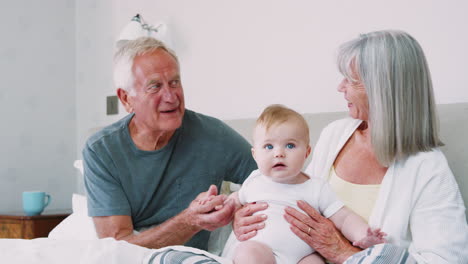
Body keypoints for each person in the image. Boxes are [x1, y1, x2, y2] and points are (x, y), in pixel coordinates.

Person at [228, 30, 468, 263]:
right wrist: (243, 219)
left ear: (383, 89)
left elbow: (448, 260)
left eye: (351, 80)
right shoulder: (336, 134)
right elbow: (293, 196)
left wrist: (344, 253)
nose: (340, 87)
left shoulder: (427, 168)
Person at [82, 36, 257, 251]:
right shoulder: (102, 151)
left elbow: (273, 180)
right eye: (155, 86)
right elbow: (117, 248)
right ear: (126, 99)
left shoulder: (214, 136)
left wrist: (240, 209)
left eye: (174, 82)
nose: (171, 96)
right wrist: (189, 221)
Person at [207, 104, 385, 264]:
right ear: (255, 154)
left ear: (307, 152)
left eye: (290, 146)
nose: (279, 153)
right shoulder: (254, 180)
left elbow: (344, 218)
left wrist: (364, 235)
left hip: (303, 257)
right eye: (269, 146)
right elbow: (233, 202)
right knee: (247, 252)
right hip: (263, 252)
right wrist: (216, 206)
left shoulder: (316, 187)